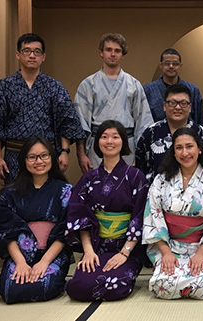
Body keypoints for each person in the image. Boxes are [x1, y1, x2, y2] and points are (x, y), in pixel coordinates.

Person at [0, 33, 85, 184]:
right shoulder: (5, 86)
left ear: (43, 56)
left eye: (37, 52)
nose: (32, 55)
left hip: (46, 156)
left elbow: (67, 121)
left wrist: (64, 152)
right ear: (18, 54)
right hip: (15, 154)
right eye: (27, 51)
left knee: (46, 197)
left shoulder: (54, 87)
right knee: (16, 198)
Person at [66, 120, 148, 301]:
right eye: (104, 137)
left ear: (123, 142)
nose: (109, 141)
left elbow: (139, 216)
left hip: (127, 248)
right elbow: (81, 217)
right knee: (77, 288)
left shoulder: (136, 176)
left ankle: (127, 270)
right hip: (96, 247)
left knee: (115, 287)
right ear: (97, 143)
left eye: (115, 137)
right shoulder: (88, 179)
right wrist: (87, 251)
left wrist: (125, 252)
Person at [143, 128, 203, 299]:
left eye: (189, 146)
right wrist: (165, 252)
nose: (185, 152)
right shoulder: (161, 180)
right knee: (161, 286)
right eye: (179, 148)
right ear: (173, 152)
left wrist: (201, 253)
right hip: (170, 246)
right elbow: (153, 214)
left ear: (199, 149)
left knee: (202, 287)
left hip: (202, 247)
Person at [0, 137, 71, 304]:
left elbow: (65, 231)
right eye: (32, 157)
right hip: (19, 255)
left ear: (52, 157)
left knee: (43, 285)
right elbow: (6, 232)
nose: (39, 161)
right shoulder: (9, 194)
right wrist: (21, 263)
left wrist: (44, 262)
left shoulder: (65, 190)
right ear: (24, 160)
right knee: (10, 289)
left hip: (52, 254)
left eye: (44, 155)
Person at [74, 33, 154, 171]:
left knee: (125, 187)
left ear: (123, 54)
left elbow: (143, 122)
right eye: (108, 50)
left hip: (127, 146)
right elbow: (81, 124)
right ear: (101, 53)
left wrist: (139, 154)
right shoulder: (88, 84)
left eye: (117, 51)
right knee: (97, 187)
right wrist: (81, 154)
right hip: (97, 145)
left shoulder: (133, 84)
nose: (113, 54)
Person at [136, 84, 203, 183]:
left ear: (190, 107)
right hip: (157, 193)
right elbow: (140, 169)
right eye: (172, 103)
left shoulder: (202, 134)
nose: (178, 107)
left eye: (183, 103)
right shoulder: (150, 133)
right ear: (164, 106)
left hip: (195, 193)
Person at [143, 48, 203, 126]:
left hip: (187, 135)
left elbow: (199, 120)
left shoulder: (193, 90)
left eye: (175, 64)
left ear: (180, 66)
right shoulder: (148, 90)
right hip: (157, 135)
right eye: (167, 63)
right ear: (160, 65)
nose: (171, 66)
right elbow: (144, 120)